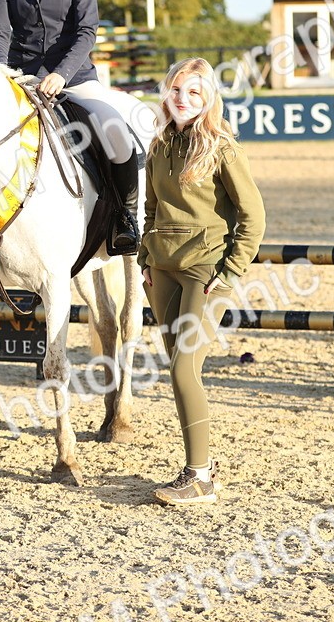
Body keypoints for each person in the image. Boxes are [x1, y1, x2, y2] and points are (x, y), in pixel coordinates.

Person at [0, 0, 151, 255]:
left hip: (73, 78)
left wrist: (60, 73)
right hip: (20, 78)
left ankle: (125, 217)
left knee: (114, 130)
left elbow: (86, 30)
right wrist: (0, 69)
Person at [139, 58, 266, 506]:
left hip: (206, 272)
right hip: (162, 273)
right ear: (165, 92)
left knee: (182, 369)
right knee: (180, 373)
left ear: (209, 97)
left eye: (194, 92)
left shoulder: (222, 147)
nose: (183, 99)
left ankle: (200, 478)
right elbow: (151, 209)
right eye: (176, 89)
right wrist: (144, 261)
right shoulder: (157, 145)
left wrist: (230, 271)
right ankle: (200, 467)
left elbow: (254, 216)